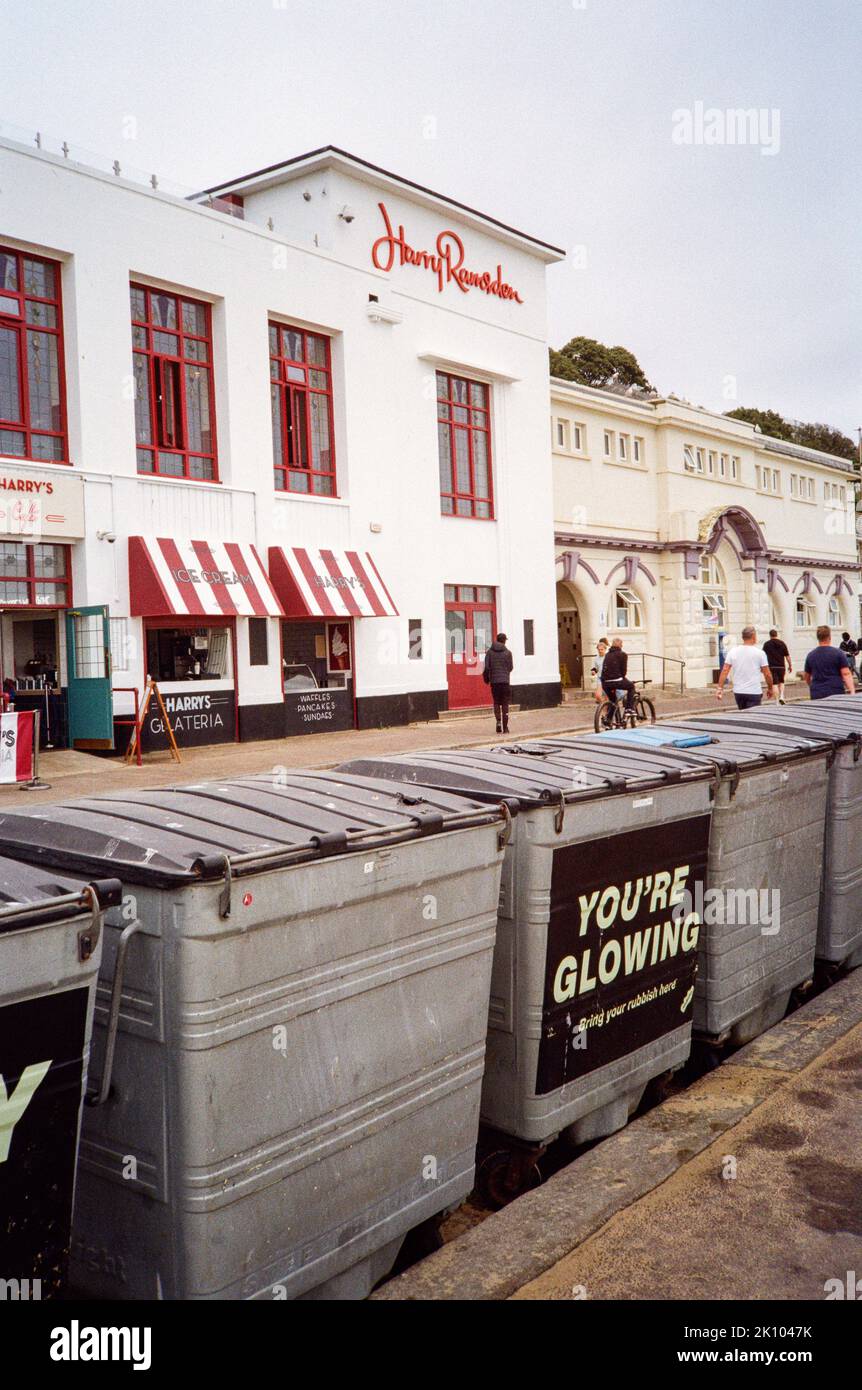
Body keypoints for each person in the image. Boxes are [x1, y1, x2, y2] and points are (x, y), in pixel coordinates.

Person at [716, 626, 774, 709]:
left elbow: (725, 670)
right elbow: (767, 674)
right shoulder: (760, 653)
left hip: (739, 692)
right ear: (754, 637)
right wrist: (770, 688)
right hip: (754, 692)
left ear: (743, 637)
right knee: (753, 718)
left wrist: (720, 688)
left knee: (743, 716)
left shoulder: (733, 652)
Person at [804, 626, 855, 700]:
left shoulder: (810, 655)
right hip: (835, 691)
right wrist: (852, 691)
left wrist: (812, 686)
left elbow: (807, 676)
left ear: (818, 638)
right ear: (830, 637)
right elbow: (846, 674)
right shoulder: (838, 653)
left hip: (817, 692)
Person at [483, 631, 514, 734]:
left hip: (495, 682)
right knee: (505, 704)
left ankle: (498, 722)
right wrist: (505, 673)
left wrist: (486, 679)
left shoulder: (489, 652)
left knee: (496, 702)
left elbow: (487, 668)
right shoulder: (508, 653)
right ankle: (505, 727)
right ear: (504, 641)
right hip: (505, 681)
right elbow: (510, 668)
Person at [600, 637, 636, 716]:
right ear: (620, 645)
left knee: (613, 701)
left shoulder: (607, 655)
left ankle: (608, 721)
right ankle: (629, 709)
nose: (622, 646)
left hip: (605, 684)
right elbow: (623, 672)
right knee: (631, 687)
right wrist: (624, 679)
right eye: (622, 645)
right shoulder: (622, 654)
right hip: (617, 681)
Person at [762, 627, 792, 705]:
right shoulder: (782, 643)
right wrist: (790, 665)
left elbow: (763, 656)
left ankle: (776, 701)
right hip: (781, 666)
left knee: (774, 684)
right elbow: (787, 656)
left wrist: (762, 667)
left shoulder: (766, 644)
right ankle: (782, 696)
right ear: (776, 635)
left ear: (770, 635)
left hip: (771, 667)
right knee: (782, 682)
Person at [590, 638, 609, 705]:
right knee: (598, 696)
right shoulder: (596, 658)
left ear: (605, 649)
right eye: (599, 650)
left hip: (608, 678)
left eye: (602, 650)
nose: (600, 651)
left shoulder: (608, 657)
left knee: (607, 697)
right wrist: (593, 672)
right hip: (600, 678)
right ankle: (603, 705)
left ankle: (606, 711)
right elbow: (595, 668)